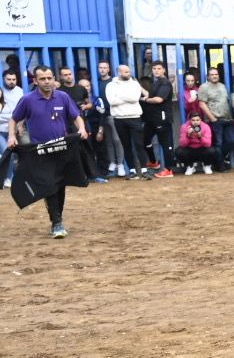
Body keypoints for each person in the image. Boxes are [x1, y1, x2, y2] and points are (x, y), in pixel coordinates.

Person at [6, 67, 90, 237]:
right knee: (49, 184)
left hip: (61, 149)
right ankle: (57, 223)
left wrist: (81, 128)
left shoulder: (63, 97)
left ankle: (56, 218)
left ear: (54, 79)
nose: (46, 81)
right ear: (35, 81)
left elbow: (76, 116)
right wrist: (11, 137)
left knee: (60, 185)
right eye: (42, 78)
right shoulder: (28, 100)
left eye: (49, 78)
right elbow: (14, 119)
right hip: (40, 152)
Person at [107, 64, 150, 180]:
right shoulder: (110, 85)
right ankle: (132, 170)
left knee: (139, 144)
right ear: (119, 73)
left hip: (135, 117)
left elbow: (135, 98)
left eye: (128, 71)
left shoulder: (135, 84)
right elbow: (111, 101)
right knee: (126, 146)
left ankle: (144, 170)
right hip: (119, 119)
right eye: (125, 72)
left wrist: (120, 96)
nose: (128, 74)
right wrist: (127, 97)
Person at [139, 62, 176, 176]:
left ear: (164, 70)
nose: (156, 70)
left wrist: (144, 100)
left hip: (162, 118)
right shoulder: (155, 83)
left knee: (166, 144)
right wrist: (139, 87)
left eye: (159, 68)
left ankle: (168, 169)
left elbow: (158, 99)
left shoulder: (165, 83)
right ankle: (154, 162)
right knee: (145, 140)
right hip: (152, 119)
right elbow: (150, 95)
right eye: (154, 68)